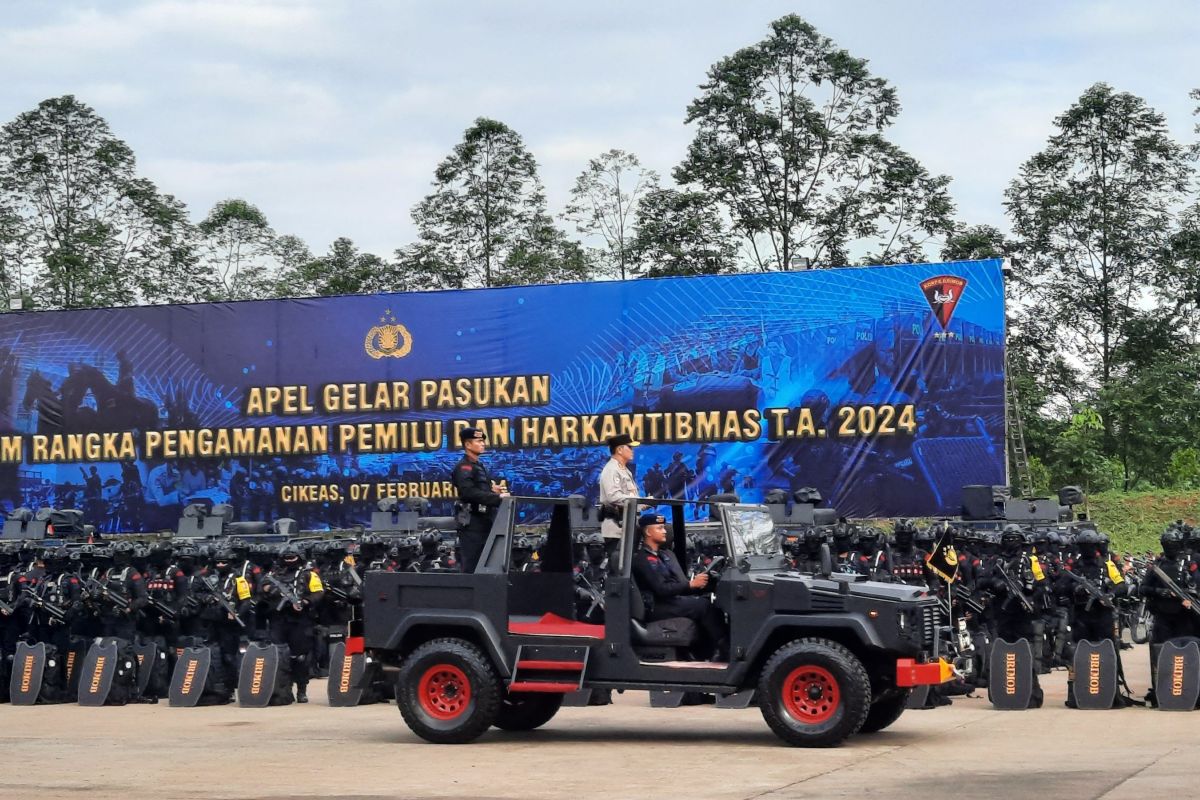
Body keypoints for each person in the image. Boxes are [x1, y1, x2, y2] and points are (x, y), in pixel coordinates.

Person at [630, 512, 727, 660]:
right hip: (656, 606)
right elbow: (662, 589)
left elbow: (679, 583)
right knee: (704, 606)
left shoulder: (665, 555)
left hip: (670, 601)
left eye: (664, 528)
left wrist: (703, 584)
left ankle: (706, 653)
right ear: (648, 532)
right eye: (660, 528)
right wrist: (690, 584)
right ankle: (725, 649)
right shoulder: (643, 559)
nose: (664, 531)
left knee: (709, 602)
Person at [450, 427, 508, 573]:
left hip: (485, 521)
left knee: (488, 564)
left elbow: (479, 490)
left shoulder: (479, 466)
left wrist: (492, 491)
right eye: (479, 441)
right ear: (468, 444)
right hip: (472, 524)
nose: (482, 444)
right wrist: (496, 498)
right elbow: (468, 492)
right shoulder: (464, 467)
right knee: (473, 565)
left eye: (483, 441)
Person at [598, 433, 641, 564]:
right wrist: (639, 501)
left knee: (628, 564)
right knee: (618, 566)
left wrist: (646, 502)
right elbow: (613, 496)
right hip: (616, 528)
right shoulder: (612, 470)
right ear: (620, 449)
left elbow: (630, 497)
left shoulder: (624, 470)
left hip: (628, 526)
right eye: (630, 447)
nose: (632, 451)